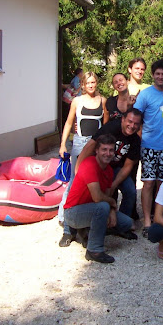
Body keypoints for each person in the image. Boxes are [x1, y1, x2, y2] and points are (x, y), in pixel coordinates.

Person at [62, 108, 143, 245]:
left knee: (130, 190)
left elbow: (127, 167)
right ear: (123, 119)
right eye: (129, 121)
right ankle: (68, 231)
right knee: (75, 189)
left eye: (136, 123)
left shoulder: (135, 140)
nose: (132, 126)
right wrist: (78, 171)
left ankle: (117, 225)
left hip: (114, 168)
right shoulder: (111, 128)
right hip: (96, 164)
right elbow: (89, 147)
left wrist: (114, 185)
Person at [62, 134, 134, 263]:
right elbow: (97, 198)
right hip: (73, 212)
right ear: (96, 150)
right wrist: (112, 203)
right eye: (104, 149)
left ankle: (88, 231)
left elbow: (107, 195)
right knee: (102, 207)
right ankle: (94, 250)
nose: (108, 153)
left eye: (111, 150)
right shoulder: (89, 164)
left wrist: (112, 211)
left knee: (126, 223)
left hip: (92, 209)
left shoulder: (109, 170)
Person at [133, 60, 163, 237]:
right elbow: (135, 118)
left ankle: (159, 218)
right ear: (152, 75)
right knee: (148, 183)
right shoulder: (145, 94)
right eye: (157, 74)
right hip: (149, 147)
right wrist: (141, 138)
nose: (160, 77)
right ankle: (147, 221)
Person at [57, 72, 108, 230]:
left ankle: (88, 217)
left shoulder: (102, 101)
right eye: (88, 83)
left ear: (96, 83)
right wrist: (63, 144)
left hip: (96, 144)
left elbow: (106, 126)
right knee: (74, 179)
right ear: (83, 85)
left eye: (93, 82)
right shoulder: (77, 101)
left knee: (94, 180)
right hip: (80, 142)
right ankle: (65, 219)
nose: (91, 85)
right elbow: (68, 123)